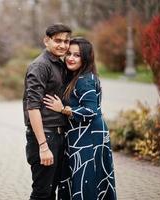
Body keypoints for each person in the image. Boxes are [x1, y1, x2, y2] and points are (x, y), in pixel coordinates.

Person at [43, 37, 117, 200]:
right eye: (69, 53)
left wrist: (63, 109)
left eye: (77, 55)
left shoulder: (84, 80)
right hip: (80, 135)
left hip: (89, 136)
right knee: (82, 180)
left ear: (86, 58)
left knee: (87, 181)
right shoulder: (76, 76)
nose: (70, 58)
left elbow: (90, 111)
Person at [23, 23, 72, 200]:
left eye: (66, 41)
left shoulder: (59, 64)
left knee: (52, 191)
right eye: (58, 40)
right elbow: (33, 107)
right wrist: (43, 146)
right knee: (42, 193)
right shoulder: (40, 66)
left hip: (58, 136)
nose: (63, 45)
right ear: (46, 41)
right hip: (45, 137)